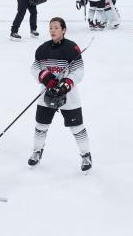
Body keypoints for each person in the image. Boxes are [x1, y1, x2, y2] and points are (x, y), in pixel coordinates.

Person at [29, 17, 92, 172]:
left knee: (77, 127)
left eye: (56, 28)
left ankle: (86, 155)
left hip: (69, 96)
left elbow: (79, 71)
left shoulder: (72, 48)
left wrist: (66, 84)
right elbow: (34, 68)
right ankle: (37, 151)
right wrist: (44, 76)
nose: (53, 31)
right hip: (47, 94)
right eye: (51, 28)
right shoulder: (42, 49)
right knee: (41, 125)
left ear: (63, 30)